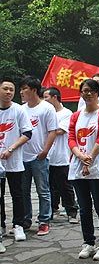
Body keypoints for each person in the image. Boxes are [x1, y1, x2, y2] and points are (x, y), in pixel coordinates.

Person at [68, 79, 99, 261]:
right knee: (85, 208)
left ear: (98, 93)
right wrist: (80, 156)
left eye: (91, 91)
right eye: (84, 90)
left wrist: (90, 158)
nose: (87, 94)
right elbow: (71, 138)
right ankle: (88, 242)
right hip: (78, 165)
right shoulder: (75, 115)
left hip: (97, 165)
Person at [19, 76, 57, 235]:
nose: (21, 92)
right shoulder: (21, 109)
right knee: (23, 190)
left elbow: (52, 131)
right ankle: (25, 220)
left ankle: (44, 221)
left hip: (39, 156)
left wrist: (45, 151)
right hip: (22, 156)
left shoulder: (46, 108)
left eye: (24, 89)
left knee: (43, 189)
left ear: (34, 90)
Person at [0, 77, 32, 243]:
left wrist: (11, 149)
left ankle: (18, 225)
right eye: (5, 88)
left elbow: (27, 133)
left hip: (14, 160)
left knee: (17, 194)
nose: (8, 92)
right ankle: (1, 224)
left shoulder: (19, 110)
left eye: (11, 89)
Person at [43, 87, 79, 224]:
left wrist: (45, 130)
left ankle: (71, 211)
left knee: (65, 185)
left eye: (46, 97)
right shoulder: (45, 112)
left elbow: (59, 131)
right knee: (49, 185)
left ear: (55, 97)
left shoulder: (66, 113)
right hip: (47, 155)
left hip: (61, 155)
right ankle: (51, 210)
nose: (44, 100)